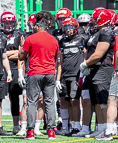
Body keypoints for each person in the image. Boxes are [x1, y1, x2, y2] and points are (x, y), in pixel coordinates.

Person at [18, 11, 59, 140]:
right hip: (50, 72)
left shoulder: (30, 38)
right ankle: (51, 131)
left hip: (35, 72)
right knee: (50, 101)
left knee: (32, 102)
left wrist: (22, 45)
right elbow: (56, 58)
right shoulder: (54, 39)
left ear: (39, 26)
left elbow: (20, 56)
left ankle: (30, 132)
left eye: (35, 25)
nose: (33, 27)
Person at [79, 7, 115, 138]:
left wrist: (85, 64)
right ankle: (100, 128)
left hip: (103, 69)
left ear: (102, 19)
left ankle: (107, 129)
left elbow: (99, 53)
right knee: (97, 102)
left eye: (95, 18)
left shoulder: (106, 32)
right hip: (95, 70)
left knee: (104, 101)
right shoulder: (96, 32)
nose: (93, 21)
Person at [56, 17, 85, 136]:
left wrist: (83, 72)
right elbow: (60, 61)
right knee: (67, 101)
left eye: (71, 28)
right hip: (64, 75)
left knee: (75, 101)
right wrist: (58, 79)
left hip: (75, 74)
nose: (68, 30)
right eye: (66, 28)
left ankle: (77, 126)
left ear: (76, 28)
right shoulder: (62, 41)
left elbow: (86, 55)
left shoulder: (82, 39)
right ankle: (70, 126)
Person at [16, 14, 44, 136]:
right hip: (29, 71)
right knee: (26, 100)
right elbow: (21, 57)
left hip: (43, 71)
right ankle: (23, 127)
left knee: (41, 100)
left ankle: (36, 128)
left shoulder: (44, 37)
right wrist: (20, 74)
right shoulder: (26, 37)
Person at [0, 11, 26, 134]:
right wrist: (13, 53)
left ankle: (19, 125)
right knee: (5, 97)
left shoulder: (20, 34)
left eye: (10, 22)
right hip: (1, 69)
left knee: (20, 97)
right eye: (6, 22)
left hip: (17, 68)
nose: (9, 25)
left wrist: (7, 55)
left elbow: (23, 53)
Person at [52, 7, 73, 133]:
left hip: (73, 68)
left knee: (74, 98)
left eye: (64, 18)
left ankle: (76, 123)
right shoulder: (54, 34)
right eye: (60, 19)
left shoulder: (77, 33)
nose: (62, 21)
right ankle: (62, 121)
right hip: (58, 68)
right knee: (61, 98)